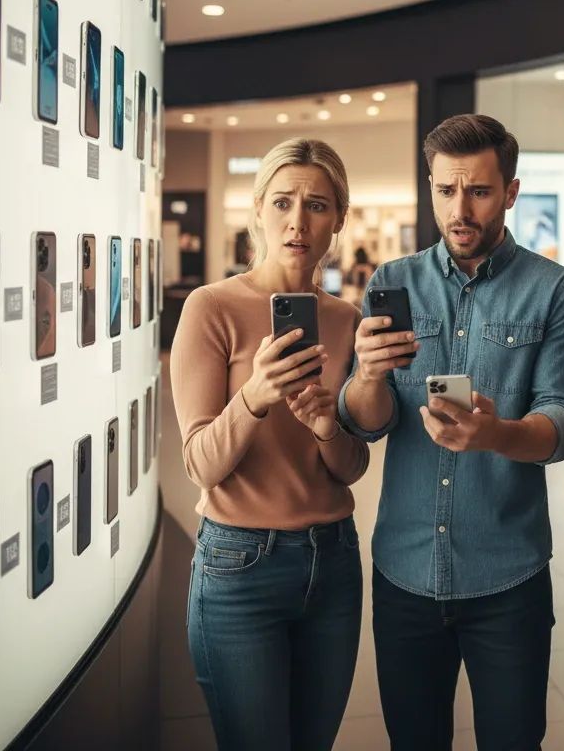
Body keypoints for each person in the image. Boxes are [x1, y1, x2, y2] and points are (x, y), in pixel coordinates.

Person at [337, 114, 564, 751]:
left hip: (508, 575)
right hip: (405, 570)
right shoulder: (392, 284)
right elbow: (369, 425)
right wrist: (366, 375)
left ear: (510, 191)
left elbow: (561, 423)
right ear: (430, 188)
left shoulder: (553, 289)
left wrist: (496, 434)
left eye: (478, 191)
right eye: (446, 190)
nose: (461, 208)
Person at [171, 138, 368, 751]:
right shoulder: (212, 309)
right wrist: (255, 395)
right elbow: (201, 463)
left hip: (332, 562)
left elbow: (352, 466)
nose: (297, 220)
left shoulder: (347, 320)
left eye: (316, 205)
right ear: (257, 210)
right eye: (282, 201)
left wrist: (326, 427)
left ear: (337, 219)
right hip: (239, 567)